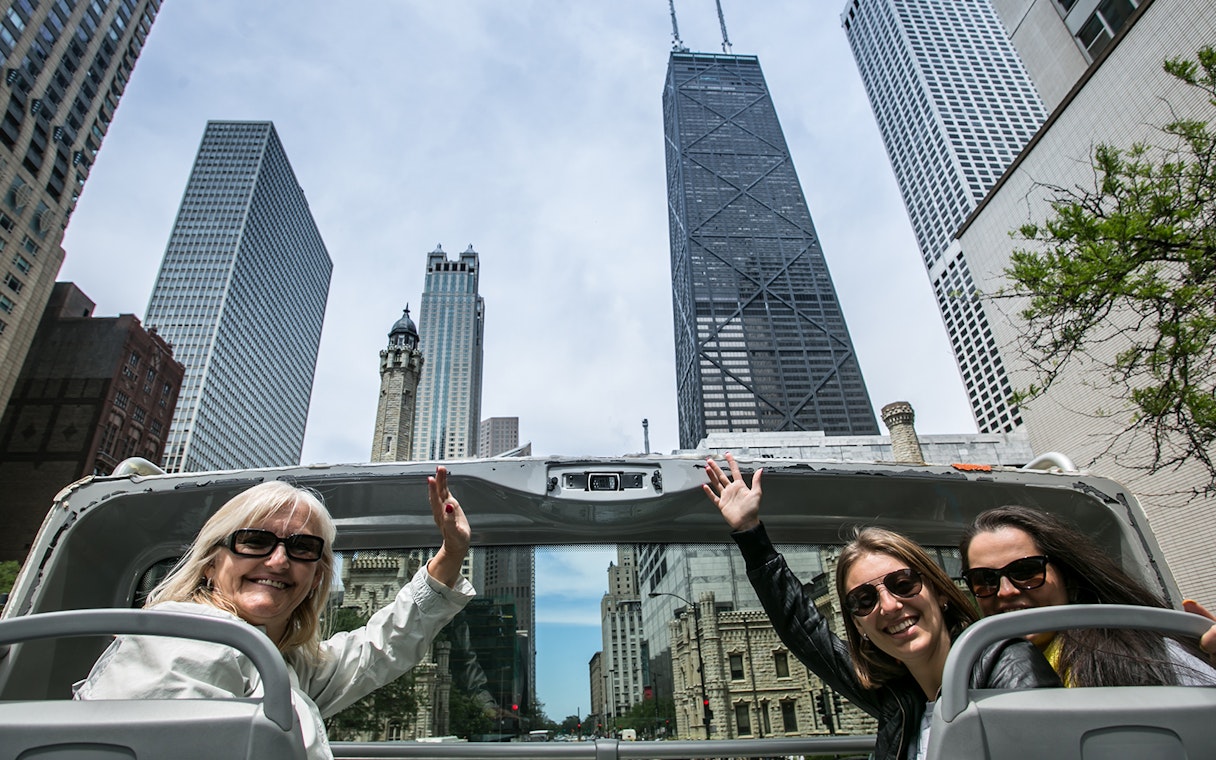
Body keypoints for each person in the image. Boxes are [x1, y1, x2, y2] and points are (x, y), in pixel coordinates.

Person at [74, 466, 474, 760]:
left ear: (317, 576)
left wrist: (451, 554)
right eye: (254, 541)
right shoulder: (183, 641)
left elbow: (377, 648)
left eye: (302, 547)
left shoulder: (279, 661)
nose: (279, 561)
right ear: (212, 562)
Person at [704, 454, 1058, 760]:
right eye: (864, 600)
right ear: (858, 625)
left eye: (903, 583)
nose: (888, 606)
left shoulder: (1003, 665)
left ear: (941, 591)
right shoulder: (900, 702)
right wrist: (750, 533)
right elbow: (804, 627)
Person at [960, 505, 1216, 687]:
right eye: (985, 580)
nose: (1006, 591)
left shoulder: (1142, 654)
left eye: (1026, 571)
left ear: (1067, 577)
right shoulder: (970, 675)